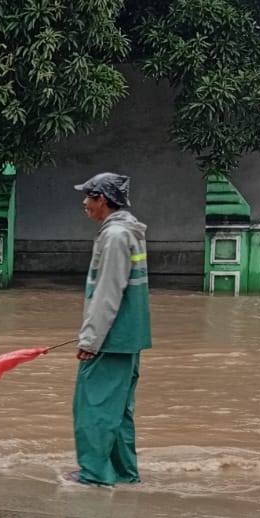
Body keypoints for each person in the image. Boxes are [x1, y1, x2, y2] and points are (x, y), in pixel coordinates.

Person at [68, 172, 151, 487]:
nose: (84, 203)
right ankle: (123, 473)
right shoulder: (129, 230)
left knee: (93, 408)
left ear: (101, 199)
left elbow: (107, 292)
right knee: (118, 410)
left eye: (88, 197)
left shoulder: (115, 236)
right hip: (127, 335)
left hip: (110, 338)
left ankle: (94, 475)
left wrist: (90, 339)